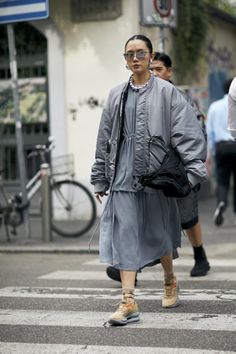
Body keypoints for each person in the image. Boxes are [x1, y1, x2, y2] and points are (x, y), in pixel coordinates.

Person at [91, 35, 207, 326]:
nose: (134, 58)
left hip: (156, 175)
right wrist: (100, 177)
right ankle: (128, 301)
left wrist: (193, 171)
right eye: (129, 54)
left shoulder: (167, 92)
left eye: (140, 52)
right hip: (122, 175)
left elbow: (186, 131)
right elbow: (104, 137)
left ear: (150, 55)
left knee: (158, 232)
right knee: (125, 234)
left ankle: (169, 280)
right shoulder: (116, 94)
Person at [106, 52, 210, 284]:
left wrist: (192, 167)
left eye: (159, 69)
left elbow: (195, 132)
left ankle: (199, 255)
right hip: (149, 173)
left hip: (176, 171)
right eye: (152, 69)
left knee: (187, 217)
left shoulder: (176, 96)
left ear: (169, 72)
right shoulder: (135, 95)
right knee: (147, 222)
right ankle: (134, 268)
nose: (154, 73)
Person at [207, 78, 236, 226]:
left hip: (221, 147)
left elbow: (209, 131)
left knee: (222, 180)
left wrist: (211, 152)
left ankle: (221, 202)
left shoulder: (214, 107)